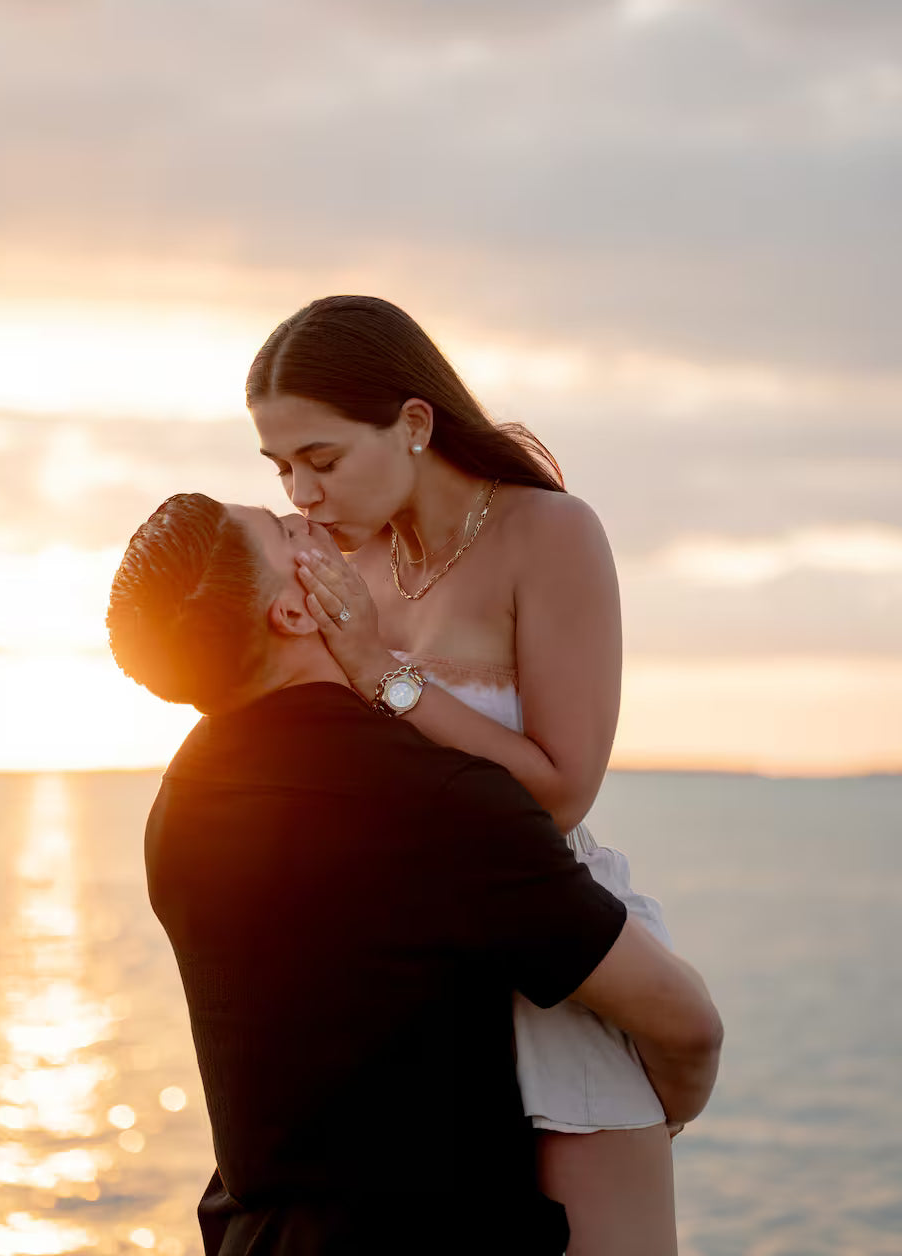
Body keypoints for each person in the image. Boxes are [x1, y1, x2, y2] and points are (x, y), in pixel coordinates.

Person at [107, 493, 722, 1256]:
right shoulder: (434, 800)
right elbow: (686, 1023)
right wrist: (672, 1114)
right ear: (295, 613)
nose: (310, 520)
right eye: (286, 532)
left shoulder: (181, 799)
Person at [245, 294, 698, 1254]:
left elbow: (564, 787)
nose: (302, 495)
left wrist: (380, 673)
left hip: (551, 965)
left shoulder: (552, 534)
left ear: (414, 423)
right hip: (404, 1002)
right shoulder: (342, 570)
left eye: (321, 461)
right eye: (281, 468)